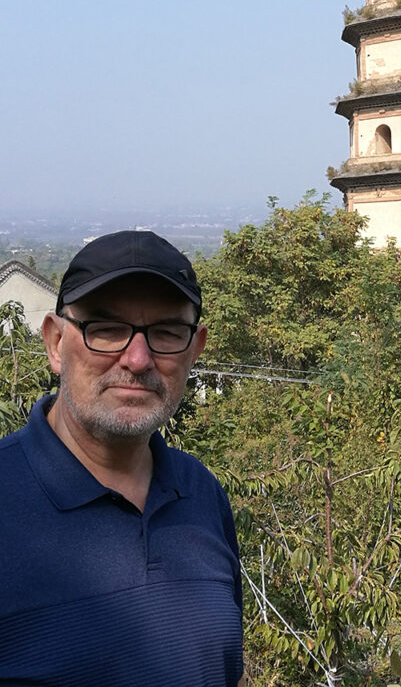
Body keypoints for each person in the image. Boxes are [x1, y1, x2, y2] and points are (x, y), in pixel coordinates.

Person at [0, 230, 244, 686]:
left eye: (167, 333)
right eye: (106, 330)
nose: (137, 359)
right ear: (56, 343)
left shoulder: (200, 494)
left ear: (195, 350)